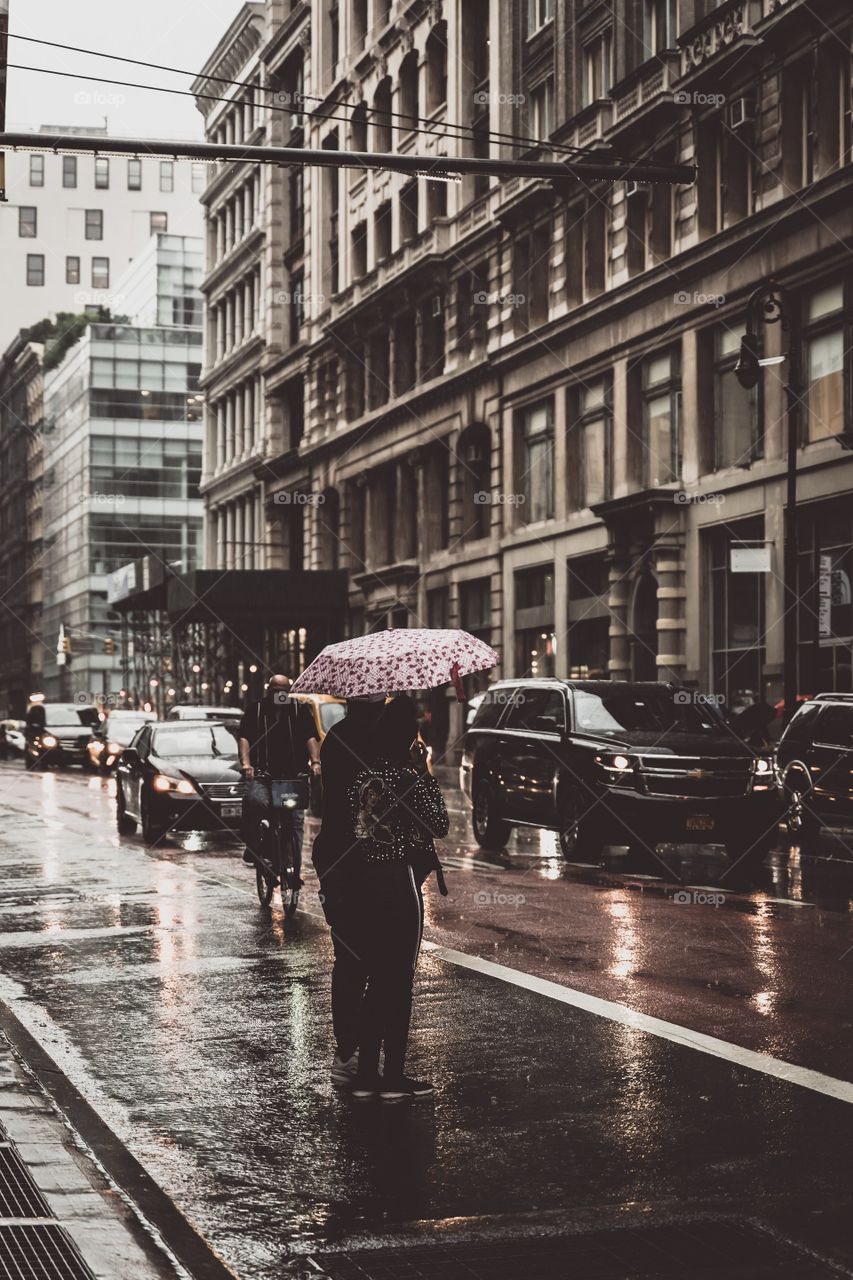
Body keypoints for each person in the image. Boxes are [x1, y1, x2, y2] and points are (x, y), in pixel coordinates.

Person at [344, 695, 448, 1103]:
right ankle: (394, 1077)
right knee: (399, 978)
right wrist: (422, 770)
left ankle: (367, 1073)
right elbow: (438, 823)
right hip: (400, 881)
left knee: (375, 976)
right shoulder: (409, 777)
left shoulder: (364, 777)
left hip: (363, 882)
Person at [313, 694, 387, 1087]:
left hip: (341, 861)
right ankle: (350, 1054)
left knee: (354, 959)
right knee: (358, 960)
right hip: (349, 863)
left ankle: (355, 1052)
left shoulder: (339, 737)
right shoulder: (352, 743)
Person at [238, 668, 321, 881]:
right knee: (255, 802)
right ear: (268, 691)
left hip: (292, 778)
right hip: (263, 776)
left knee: (294, 822)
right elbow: (245, 738)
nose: (279, 695)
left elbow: (311, 737)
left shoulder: (299, 711)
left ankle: (291, 870)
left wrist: (315, 762)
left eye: (284, 691)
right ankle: (255, 848)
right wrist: (246, 764)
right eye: (275, 691)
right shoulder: (255, 711)